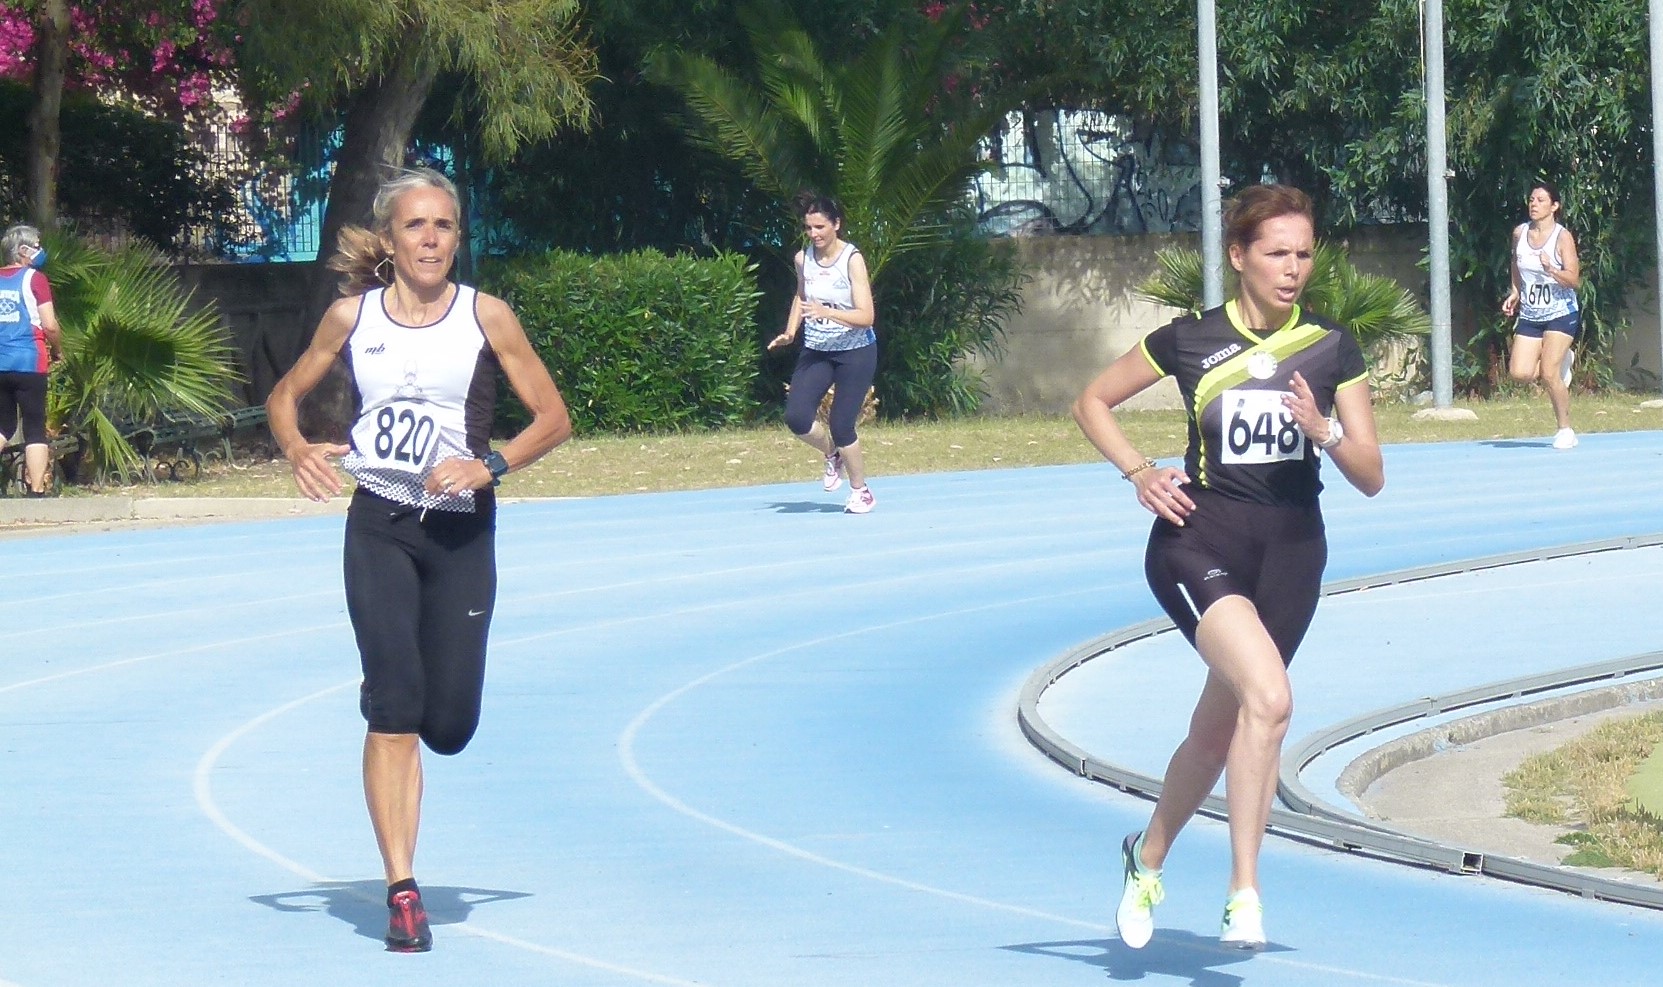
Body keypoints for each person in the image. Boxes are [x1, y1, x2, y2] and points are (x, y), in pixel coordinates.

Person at [265, 168, 571, 953]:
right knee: (395, 704)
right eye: (415, 225)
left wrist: (489, 465)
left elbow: (553, 417)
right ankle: (402, 889)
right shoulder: (351, 316)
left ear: (456, 238)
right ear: (390, 239)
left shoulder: (485, 316)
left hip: (461, 531)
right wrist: (297, 448)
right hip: (380, 522)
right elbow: (282, 398)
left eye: (443, 226)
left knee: (450, 724)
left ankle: (407, 701)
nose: (430, 239)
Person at [1072, 184, 1385, 951]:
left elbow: (1371, 474)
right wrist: (1138, 471)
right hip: (1199, 543)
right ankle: (1243, 891)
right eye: (1276, 253)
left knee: (1218, 732)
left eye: (1303, 253)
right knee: (1270, 699)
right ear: (1238, 255)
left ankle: (1145, 858)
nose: (1292, 268)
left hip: (1291, 555)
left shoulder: (1330, 346)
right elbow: (1091, 402)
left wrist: (1323, 430)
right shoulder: (1189, 340)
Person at [767, 193, 879, 513]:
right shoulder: (803, 259)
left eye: (820, 227)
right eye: (808, 228)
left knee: (842, 425)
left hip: (855, 351)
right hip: (817, 350)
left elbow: (867, 316)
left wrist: (828, 312)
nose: (814, 234)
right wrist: (791, 331)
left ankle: (861, 492)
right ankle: (832, 454)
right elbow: (801, 296)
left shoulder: (852, 259)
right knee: (797, 418)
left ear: (836, 224)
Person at [1501, 180, 1581, 450]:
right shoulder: (1519, 233)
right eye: (1531, 199)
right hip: (1531, 313)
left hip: (1561, 312)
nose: (1534, 204)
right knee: (1519, 373)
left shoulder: (1562, 237)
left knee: (1548, 373)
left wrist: (1552, 270)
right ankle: (1562, 360)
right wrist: (1516, 291)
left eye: (1540, 200)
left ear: (1554, 206)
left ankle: (1565, 430)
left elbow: (1574, 280)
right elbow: (1516, 262)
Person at [0, 224, 63, 496]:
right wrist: (58, 350)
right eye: (36, 246)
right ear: (23, 250)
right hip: (29, 362)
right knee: (34, 427)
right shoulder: (35, 279)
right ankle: (36, 492)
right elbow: (49, 325)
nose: (40, 251)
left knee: (3, 425)